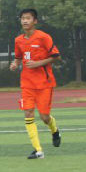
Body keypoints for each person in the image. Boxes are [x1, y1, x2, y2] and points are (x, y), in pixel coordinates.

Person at [10, 9, 61, 159]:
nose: (25, 21)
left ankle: (55, 131)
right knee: (28, 113)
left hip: (44, 84)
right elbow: (18, 57)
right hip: (27, 84)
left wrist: (38, 63)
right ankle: (38, 150)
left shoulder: (43, 37)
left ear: (35, 21)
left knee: (44, 117)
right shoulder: (18, 40)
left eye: (28, 18)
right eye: (22, 18)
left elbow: (56, 57)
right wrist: (15, 64)